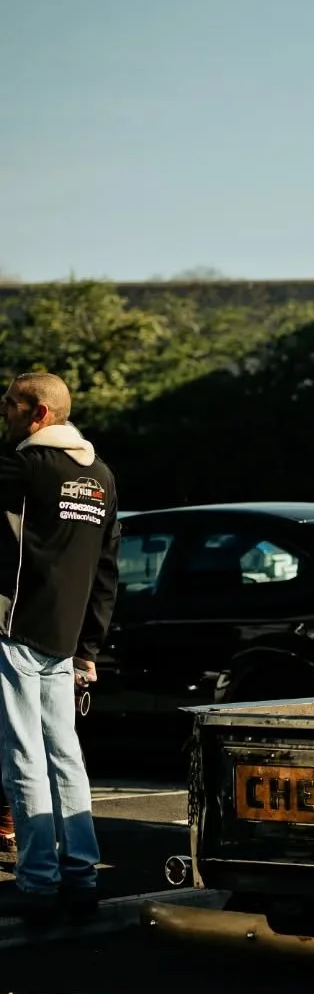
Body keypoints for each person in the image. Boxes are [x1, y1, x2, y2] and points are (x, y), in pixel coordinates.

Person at [0, 372, 119, 924]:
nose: (5, 411)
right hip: (67, 638)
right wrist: (89, 647)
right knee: (64, 754)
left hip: (18, 630)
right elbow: (106, 571)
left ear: (39, 414)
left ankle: (38, 881)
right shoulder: (100, 478)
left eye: (11, 404)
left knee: (23, 754)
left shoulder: (24, 467)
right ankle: (81, 873)